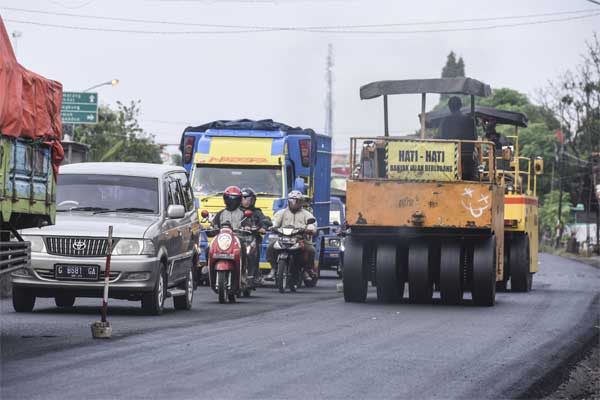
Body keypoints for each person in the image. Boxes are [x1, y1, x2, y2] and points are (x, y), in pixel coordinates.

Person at [266, 190, 317, 282]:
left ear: (301, 202)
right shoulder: (281, 212)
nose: (294, 203)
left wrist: (309, 229)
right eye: (292, 201)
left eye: (297, 201)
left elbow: (312, 224)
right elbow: (275, 221)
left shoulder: (306, 214)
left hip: (300, 239)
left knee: (311, 250)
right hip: (283, 238)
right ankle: (273, 268)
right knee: (270, 247)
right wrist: (272, 226)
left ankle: (306, 270)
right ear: (288, 201)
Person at [439, 96, 477, 180]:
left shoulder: (445, 121)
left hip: (449, 156)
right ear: (461, 106)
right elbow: (475, 137)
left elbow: (441, 137)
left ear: (449, 107)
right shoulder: (470, 120)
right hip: (468, 155)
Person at [240, 187, 272, 283]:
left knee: (254, 249)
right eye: (243, 199)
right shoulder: (236, 211)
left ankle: (254, 274)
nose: (246, 201)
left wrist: (263, 227)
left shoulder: (257, 212)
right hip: (237, 238)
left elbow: (265, 220)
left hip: (252, 238)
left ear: (253, 200)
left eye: (248, 199)